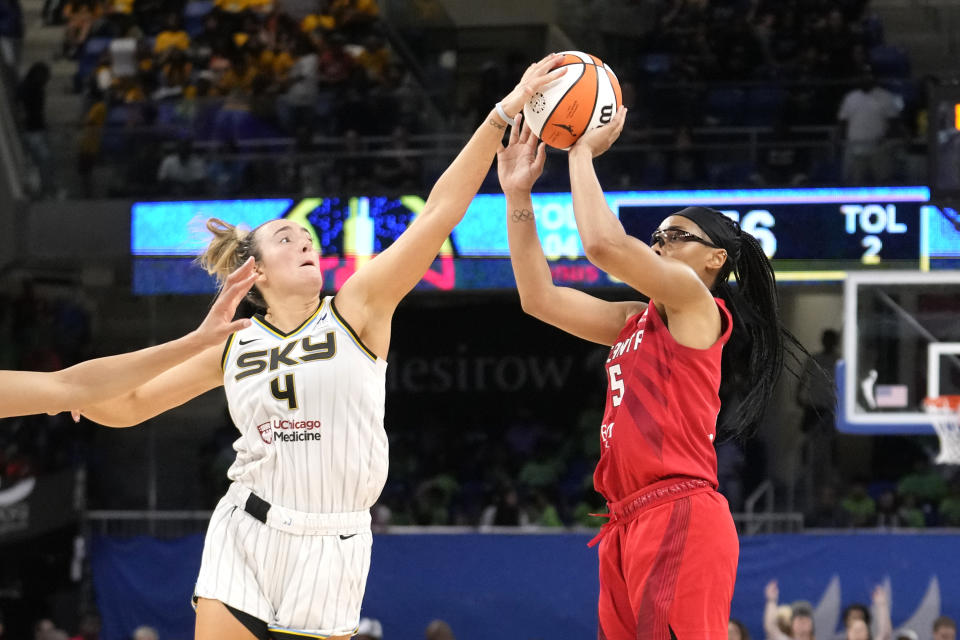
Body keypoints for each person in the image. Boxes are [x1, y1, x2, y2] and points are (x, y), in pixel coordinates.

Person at [75, 54, 566, 640]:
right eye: (288, 237)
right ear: (254, 271)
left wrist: (503, 111)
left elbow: (438, 213)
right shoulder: (233, 344)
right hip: (245, 529)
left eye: (308, 238)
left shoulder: (358, 308)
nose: (306, 242)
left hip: (334, 541)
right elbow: (131, 406)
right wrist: (73, 399)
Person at [498, 104, 802, 639]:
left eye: (677, 236)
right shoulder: (631, 320)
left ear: (715, 260)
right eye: (657, 236)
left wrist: (582, 151)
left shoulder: (696, 303)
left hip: (679, 511)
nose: (660, 243)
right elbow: (537, 298)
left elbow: (602, 245)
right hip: (623, 522)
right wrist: (518, 196)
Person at [0, 259, 257, 418]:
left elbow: (73, 388)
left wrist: (84, 396)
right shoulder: (234, 350)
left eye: (299, 236)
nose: (300, 245)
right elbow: (85, 391)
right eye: (284, 239)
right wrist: (197, 341)